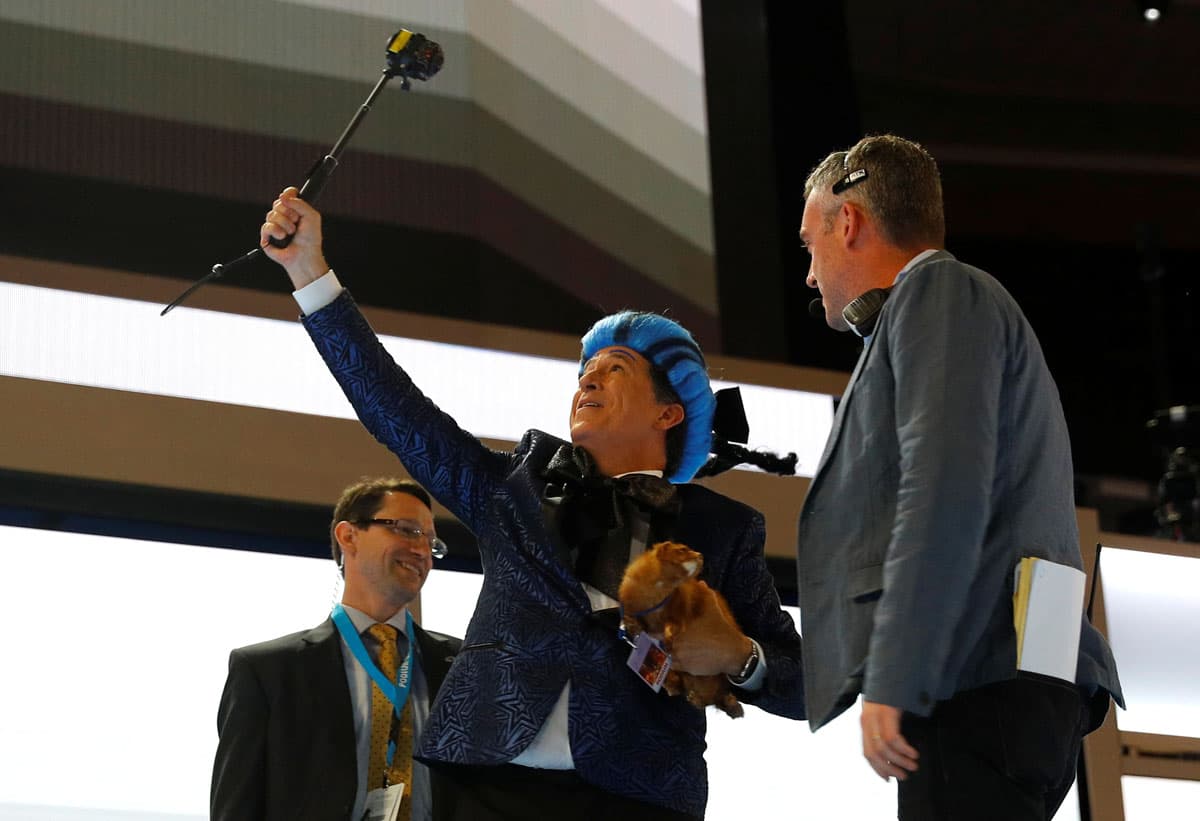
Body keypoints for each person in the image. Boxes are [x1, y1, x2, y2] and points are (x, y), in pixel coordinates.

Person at [255, 187, 805, 820]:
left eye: (615, 367)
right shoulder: (513, 488)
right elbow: (395, 411)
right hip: (485, 789)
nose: (588, 379)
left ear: (668, 413)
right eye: (584, 372)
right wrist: (309, 272)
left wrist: (740, 656)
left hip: (639, 798)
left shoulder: (724, 528)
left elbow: (804, 685)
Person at [795, 134, 1124, 820]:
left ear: (847, 221)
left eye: (810, 245)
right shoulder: (963, 304)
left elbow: (943, 487)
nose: (810, 275)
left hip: (974, 680)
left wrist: (898, 670)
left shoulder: (936, 290)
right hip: (1018, 681)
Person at [211, 477, 461, 821]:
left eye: (431, 543)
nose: (422, 551)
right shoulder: (267, 672)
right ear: (348, 536)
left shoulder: (461, 666)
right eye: (406, 530)